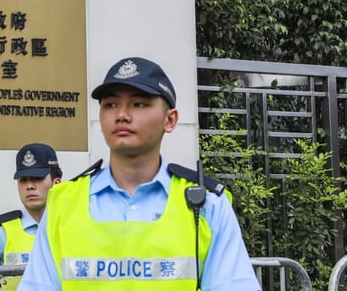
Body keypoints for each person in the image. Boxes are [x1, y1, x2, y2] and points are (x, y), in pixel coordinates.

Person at [17, 57, 261, 291]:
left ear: (170, 119)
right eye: (110, 104)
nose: (121, 114)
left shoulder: (206, 205)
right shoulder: (63, 203)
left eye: (139, 104)